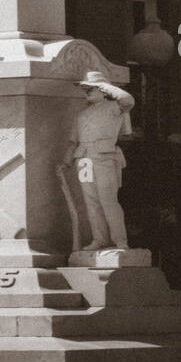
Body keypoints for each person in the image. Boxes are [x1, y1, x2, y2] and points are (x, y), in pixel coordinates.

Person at [60, 72, 134, 251]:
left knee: (108, 200)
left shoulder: (114, 107)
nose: (86, 91)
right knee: (91, 202)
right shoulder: (82, 114)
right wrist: (66, 162)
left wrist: (105, 85)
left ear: (102, 90)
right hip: (84, 159)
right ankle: (99, 239)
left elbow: (128, 100)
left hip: (105, 156)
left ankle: (119, 240)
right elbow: (73, 141)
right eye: (85, 88)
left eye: (90, 88)